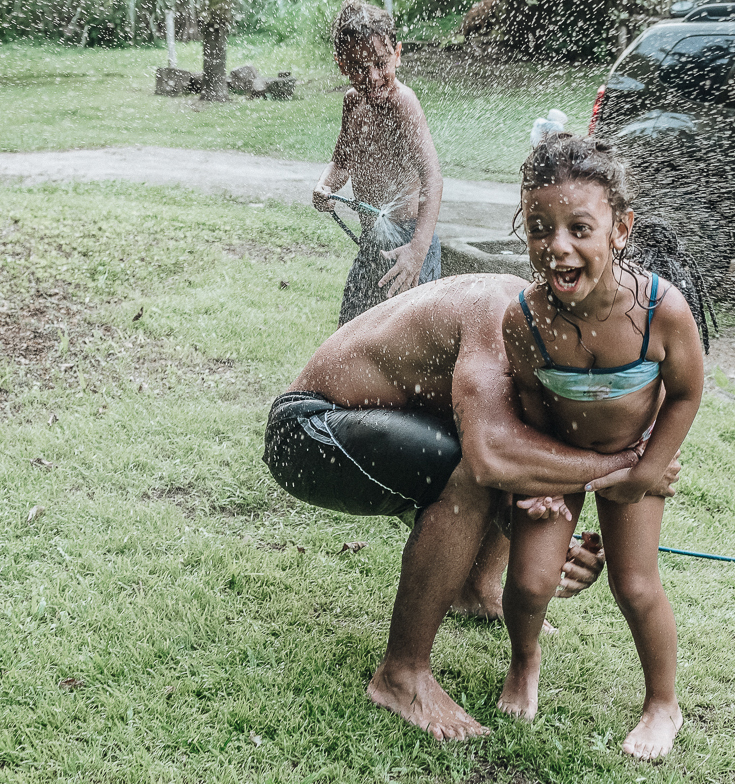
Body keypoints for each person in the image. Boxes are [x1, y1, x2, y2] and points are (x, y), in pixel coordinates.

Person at [263, 274, 682, 742]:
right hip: (307, 429)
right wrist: (627, 465)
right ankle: (401, 676)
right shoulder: (508, 317)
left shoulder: (560, 348)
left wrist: (549, 542)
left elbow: (523, 462)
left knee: (512, 457)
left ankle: (476, 590)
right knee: (482, 467)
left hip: (375, 423)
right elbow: (492, 458)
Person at [497, 134, 706, 760]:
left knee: (635, 586)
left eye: (579, 227)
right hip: (558, 460)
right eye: (540, 228)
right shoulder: (527, 320)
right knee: (532, 580)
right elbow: (530, 407)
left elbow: (687, 392)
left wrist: (644, 471)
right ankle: (525, 661)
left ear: (620, 230)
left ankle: (662, 703)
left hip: (633, 462)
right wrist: (531, 486)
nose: (557, 245)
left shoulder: (660, 311)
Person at [311, 0, 444, 326]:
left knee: (408, 346)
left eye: (381, 63)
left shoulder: (404, 104)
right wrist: (325, 185)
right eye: (358, 66)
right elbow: (342, 161)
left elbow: (432, 177)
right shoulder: (352, 102)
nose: (372, 76)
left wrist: (417, 251)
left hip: (408, 243)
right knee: (350, 335)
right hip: (374, 242)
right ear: (341, 64)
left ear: (397, 54)